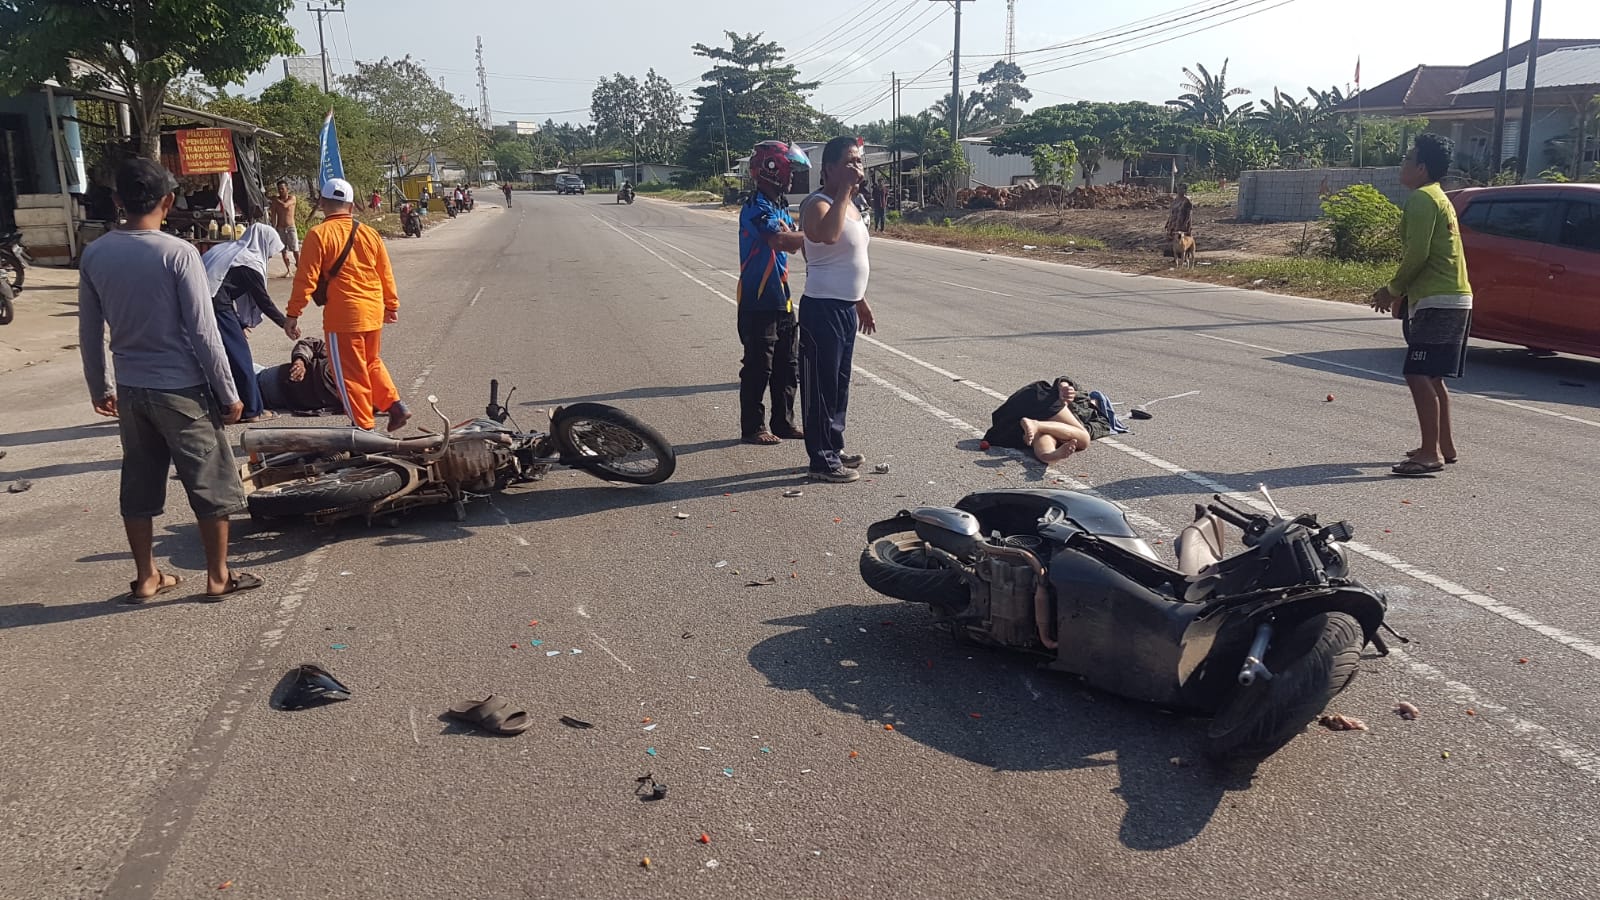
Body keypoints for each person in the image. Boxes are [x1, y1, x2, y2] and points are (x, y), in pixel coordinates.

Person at [77, 159, 263, 602]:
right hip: (182, 390)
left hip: (132, 391)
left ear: (119, 201)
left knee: (138, 482)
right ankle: (218, 576)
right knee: (211, 481)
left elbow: (88, 330)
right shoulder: (177, 253)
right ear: (168, 201)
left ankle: (146, 577)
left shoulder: (96, 253)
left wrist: (99, 387)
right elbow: (203, 331)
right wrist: (229, 392)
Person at [1370, 133, 1473, 477]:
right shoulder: (1438, 197)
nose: (1403, 163)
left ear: (1422, 167)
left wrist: (1392, 289)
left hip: (1438, 299)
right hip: (1454, 296)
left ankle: (1430, 453)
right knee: (1433, 374)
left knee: (1416, 372)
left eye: (1407, 159)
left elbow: (1418, 253)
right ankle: (1444, 444)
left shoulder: (1421, 200)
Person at [286, 177, 410, 432]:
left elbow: (305, 279)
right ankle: (395, 406)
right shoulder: (369, 233)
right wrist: (391, 305)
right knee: (371, 361)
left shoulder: (318, 234)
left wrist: (293, 314)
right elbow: (384, 272)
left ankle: (363, 428)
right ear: (352, 207)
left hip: (345, 315)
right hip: (373, 309)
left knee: (348, 373)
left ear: (322, 204)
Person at [798, 136, 877, 483]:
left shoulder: (854, 205)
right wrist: (844, 190)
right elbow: (826, 237)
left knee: (840, 384)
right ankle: (820, 459)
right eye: (849, 162)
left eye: (858, 161)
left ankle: (834, 444)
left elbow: (851, 258)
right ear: (828, 168)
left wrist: (860, 299)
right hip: (822, 309)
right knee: (821, 387)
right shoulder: (816, 204)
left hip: (845, 308)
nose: (856, 167)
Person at [737, 141, 810, 446]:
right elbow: (780, 241)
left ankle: (783, 422)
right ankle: (753, 427)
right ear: (772, 169)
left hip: (782, 295)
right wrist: (819, 233)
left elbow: (792, 239)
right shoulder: (757, 206)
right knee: (759, 365)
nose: (792, 176)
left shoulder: (779, 205)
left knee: (787, 363)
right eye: (788, 169)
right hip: (758, 298)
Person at [202, 223, 288, 423]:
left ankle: (223, 405)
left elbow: (221, 285)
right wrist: (285, 323)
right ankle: (252, 410)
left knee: (216, 356)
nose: (267, 257)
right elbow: (263, 300)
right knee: (240, 358)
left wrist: (239, 324)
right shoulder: (248, 261)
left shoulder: (228, 251)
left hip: (201, 304)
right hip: (217, 308)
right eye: (269, 252)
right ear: (263, 244)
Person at [983, 378, 1096, 464]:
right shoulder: (1083, 399)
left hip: (1011, 422)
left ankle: (1049, 455)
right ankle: (1036, 425)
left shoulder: (1097, 420)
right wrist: (1064, 387)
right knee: (1084, 439)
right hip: (1040, 400)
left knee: (1045, 435)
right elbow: (1063, 379)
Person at [257, 336, 343, 415]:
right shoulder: (346, 356)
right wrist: (300, 361)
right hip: (270, 378)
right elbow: (312, 344)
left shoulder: (352, 396)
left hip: (277, 400)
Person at [269, 181, 299, 277]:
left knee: (295, 250)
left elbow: (285, 205)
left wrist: (275, 200)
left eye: (282, 189)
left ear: (287, 189)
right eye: (279, 189)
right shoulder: (276, 202)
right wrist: (273, 227)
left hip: (291, 227)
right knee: (283, 250)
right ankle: (288, 270)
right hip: (280, 228)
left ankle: (299, 268)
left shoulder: (292, 198)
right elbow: (273, 214)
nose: (280, 191)